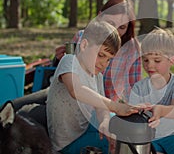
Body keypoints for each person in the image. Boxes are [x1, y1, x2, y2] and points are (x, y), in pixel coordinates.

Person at [46, 20, 139, 154]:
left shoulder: (98, 77)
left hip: (85, 129)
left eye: (108, 59)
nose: (104, 63)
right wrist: (116, 106)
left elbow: (101, 107)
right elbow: (76, 90)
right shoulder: (70, 61)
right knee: (120, 145)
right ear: (84, 45)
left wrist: (105, 122)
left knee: (122, 130)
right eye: (101, 55)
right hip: (67, 143)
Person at [54, 0, 141, 101]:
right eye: (111, 23)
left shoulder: (132, 49)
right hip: (69, 100)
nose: (114, 31)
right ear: (100, 16)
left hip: (106, 108)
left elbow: (134, 89)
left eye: (122, 27)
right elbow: (69, 73)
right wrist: (57, 60)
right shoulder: (82, 36)